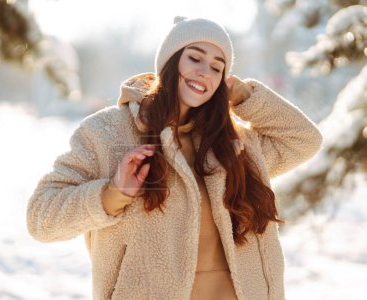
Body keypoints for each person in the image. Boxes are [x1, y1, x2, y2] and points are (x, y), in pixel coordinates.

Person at [26, 16, 323, 300]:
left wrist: (246, 97)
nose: (205, 72)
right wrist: (111, 194)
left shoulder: (233, 144)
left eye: (217, 67)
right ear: (170, 62)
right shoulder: (109, 133)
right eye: (194, 58)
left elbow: (304, 139)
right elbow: (41, 217)